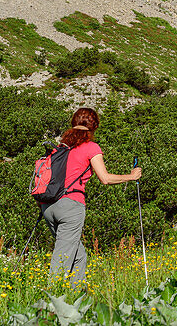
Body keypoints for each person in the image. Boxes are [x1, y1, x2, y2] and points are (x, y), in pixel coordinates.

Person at [42, 107, 141, 285]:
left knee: (78, 255)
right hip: (71, 206)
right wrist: (131, 176)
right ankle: (51, 302)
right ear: (94, 126)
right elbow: (105, 178)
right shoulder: (91, 147)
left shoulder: (60, 149)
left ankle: (75, 299)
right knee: (63, 257)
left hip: (48, 206)